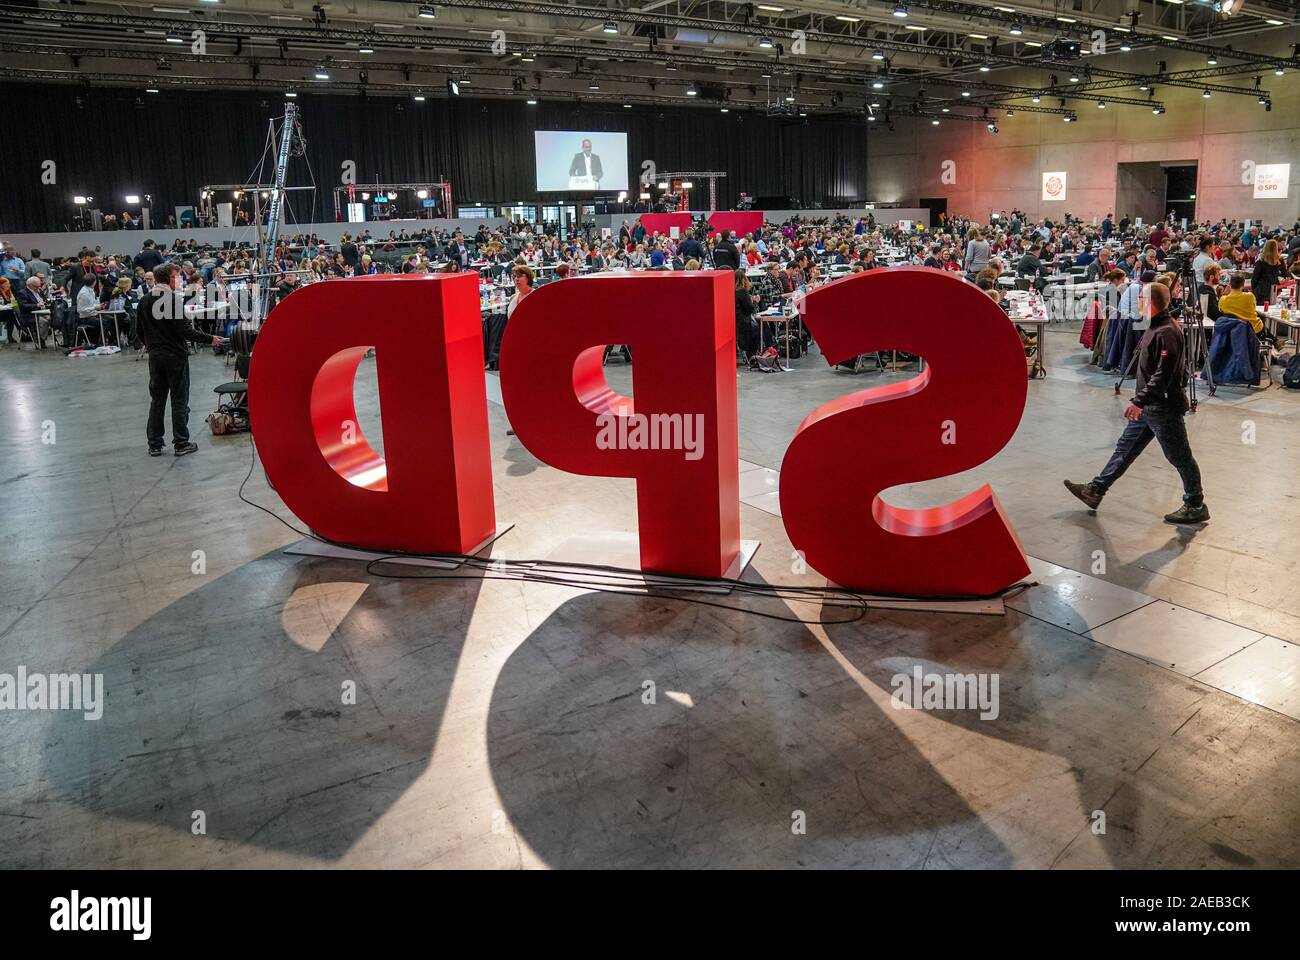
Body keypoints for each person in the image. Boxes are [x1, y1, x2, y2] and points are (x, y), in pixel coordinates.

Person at [1064, 281, 1208, 525]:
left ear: (1150, 303)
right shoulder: (1156, 327)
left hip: (1162, 407)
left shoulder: (1167, 332)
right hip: (1150, 408)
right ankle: (1095, 490)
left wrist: (1139, 401)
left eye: (1141, 298)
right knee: (1125, 449)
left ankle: (1195, 504)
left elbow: (1163, 375)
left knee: (1180, 456)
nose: (1138, 302)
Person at [137, 263, 223, 457]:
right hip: (175, 356)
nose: (180, 280)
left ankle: (155, 444)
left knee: (157, 400)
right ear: (168, 278)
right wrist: (210, 338)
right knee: (179, 400)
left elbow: (139, 332)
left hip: (155, 357)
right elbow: (185, 330)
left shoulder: (144, 301)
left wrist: (151, 345)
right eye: (177, 276)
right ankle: (181, 442)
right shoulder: (172, 300)